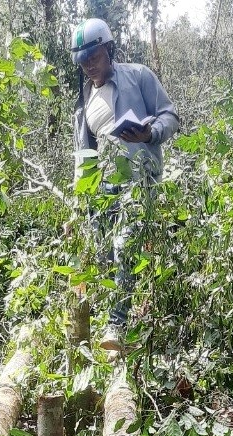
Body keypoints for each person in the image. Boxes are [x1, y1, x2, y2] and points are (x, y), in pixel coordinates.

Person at [70, 17, 179, 352]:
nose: (89, 65)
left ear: (109, 49)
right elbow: (83, 156)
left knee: (123, 247)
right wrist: (77, 204)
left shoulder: (139, 76)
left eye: (95, 56)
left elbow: (170, 116)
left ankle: (117, 327)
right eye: (83, 60)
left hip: (137, 182)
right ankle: (108, 325)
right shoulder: (84, 100)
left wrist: (149, 133)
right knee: (102, 255)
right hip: (101, 189)